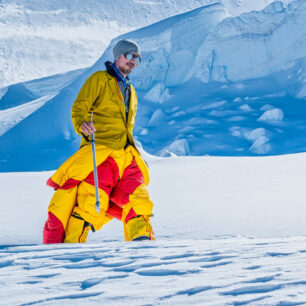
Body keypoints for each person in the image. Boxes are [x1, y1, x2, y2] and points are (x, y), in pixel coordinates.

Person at [43, 39, 155, 243]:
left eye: (137, 58)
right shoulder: (99, 79)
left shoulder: (131, 91)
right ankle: (70, 249)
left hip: (126, 153)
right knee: (92, 202)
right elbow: (79, 107)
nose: (133, 61)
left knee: (139, 200)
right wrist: (82, 124)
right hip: (101, 151)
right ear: (118, 56)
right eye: (130, 55)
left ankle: (142, 245)